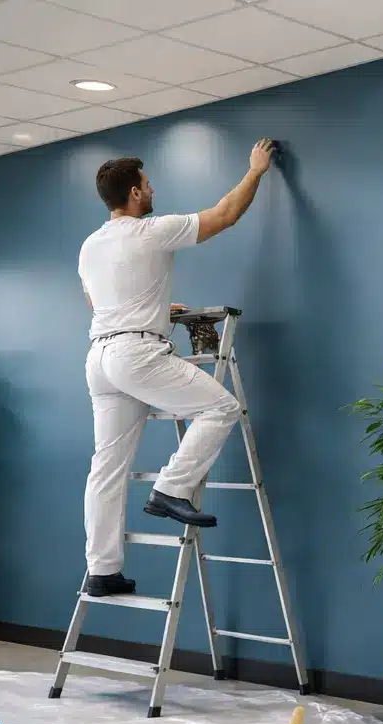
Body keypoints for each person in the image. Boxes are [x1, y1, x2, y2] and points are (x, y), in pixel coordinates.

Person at [76, 139, 275, 598]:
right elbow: (224, 214)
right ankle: (171, 488)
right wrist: (256, 171)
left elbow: (96, 300)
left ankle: (102, 570)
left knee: (106, 468)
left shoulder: (91, 245)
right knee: (222, 408)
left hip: (100, 358)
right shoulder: (151, 231)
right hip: (135, 354)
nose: (152, 188)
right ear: (133, 193)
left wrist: (159, 308)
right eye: (146, 184)